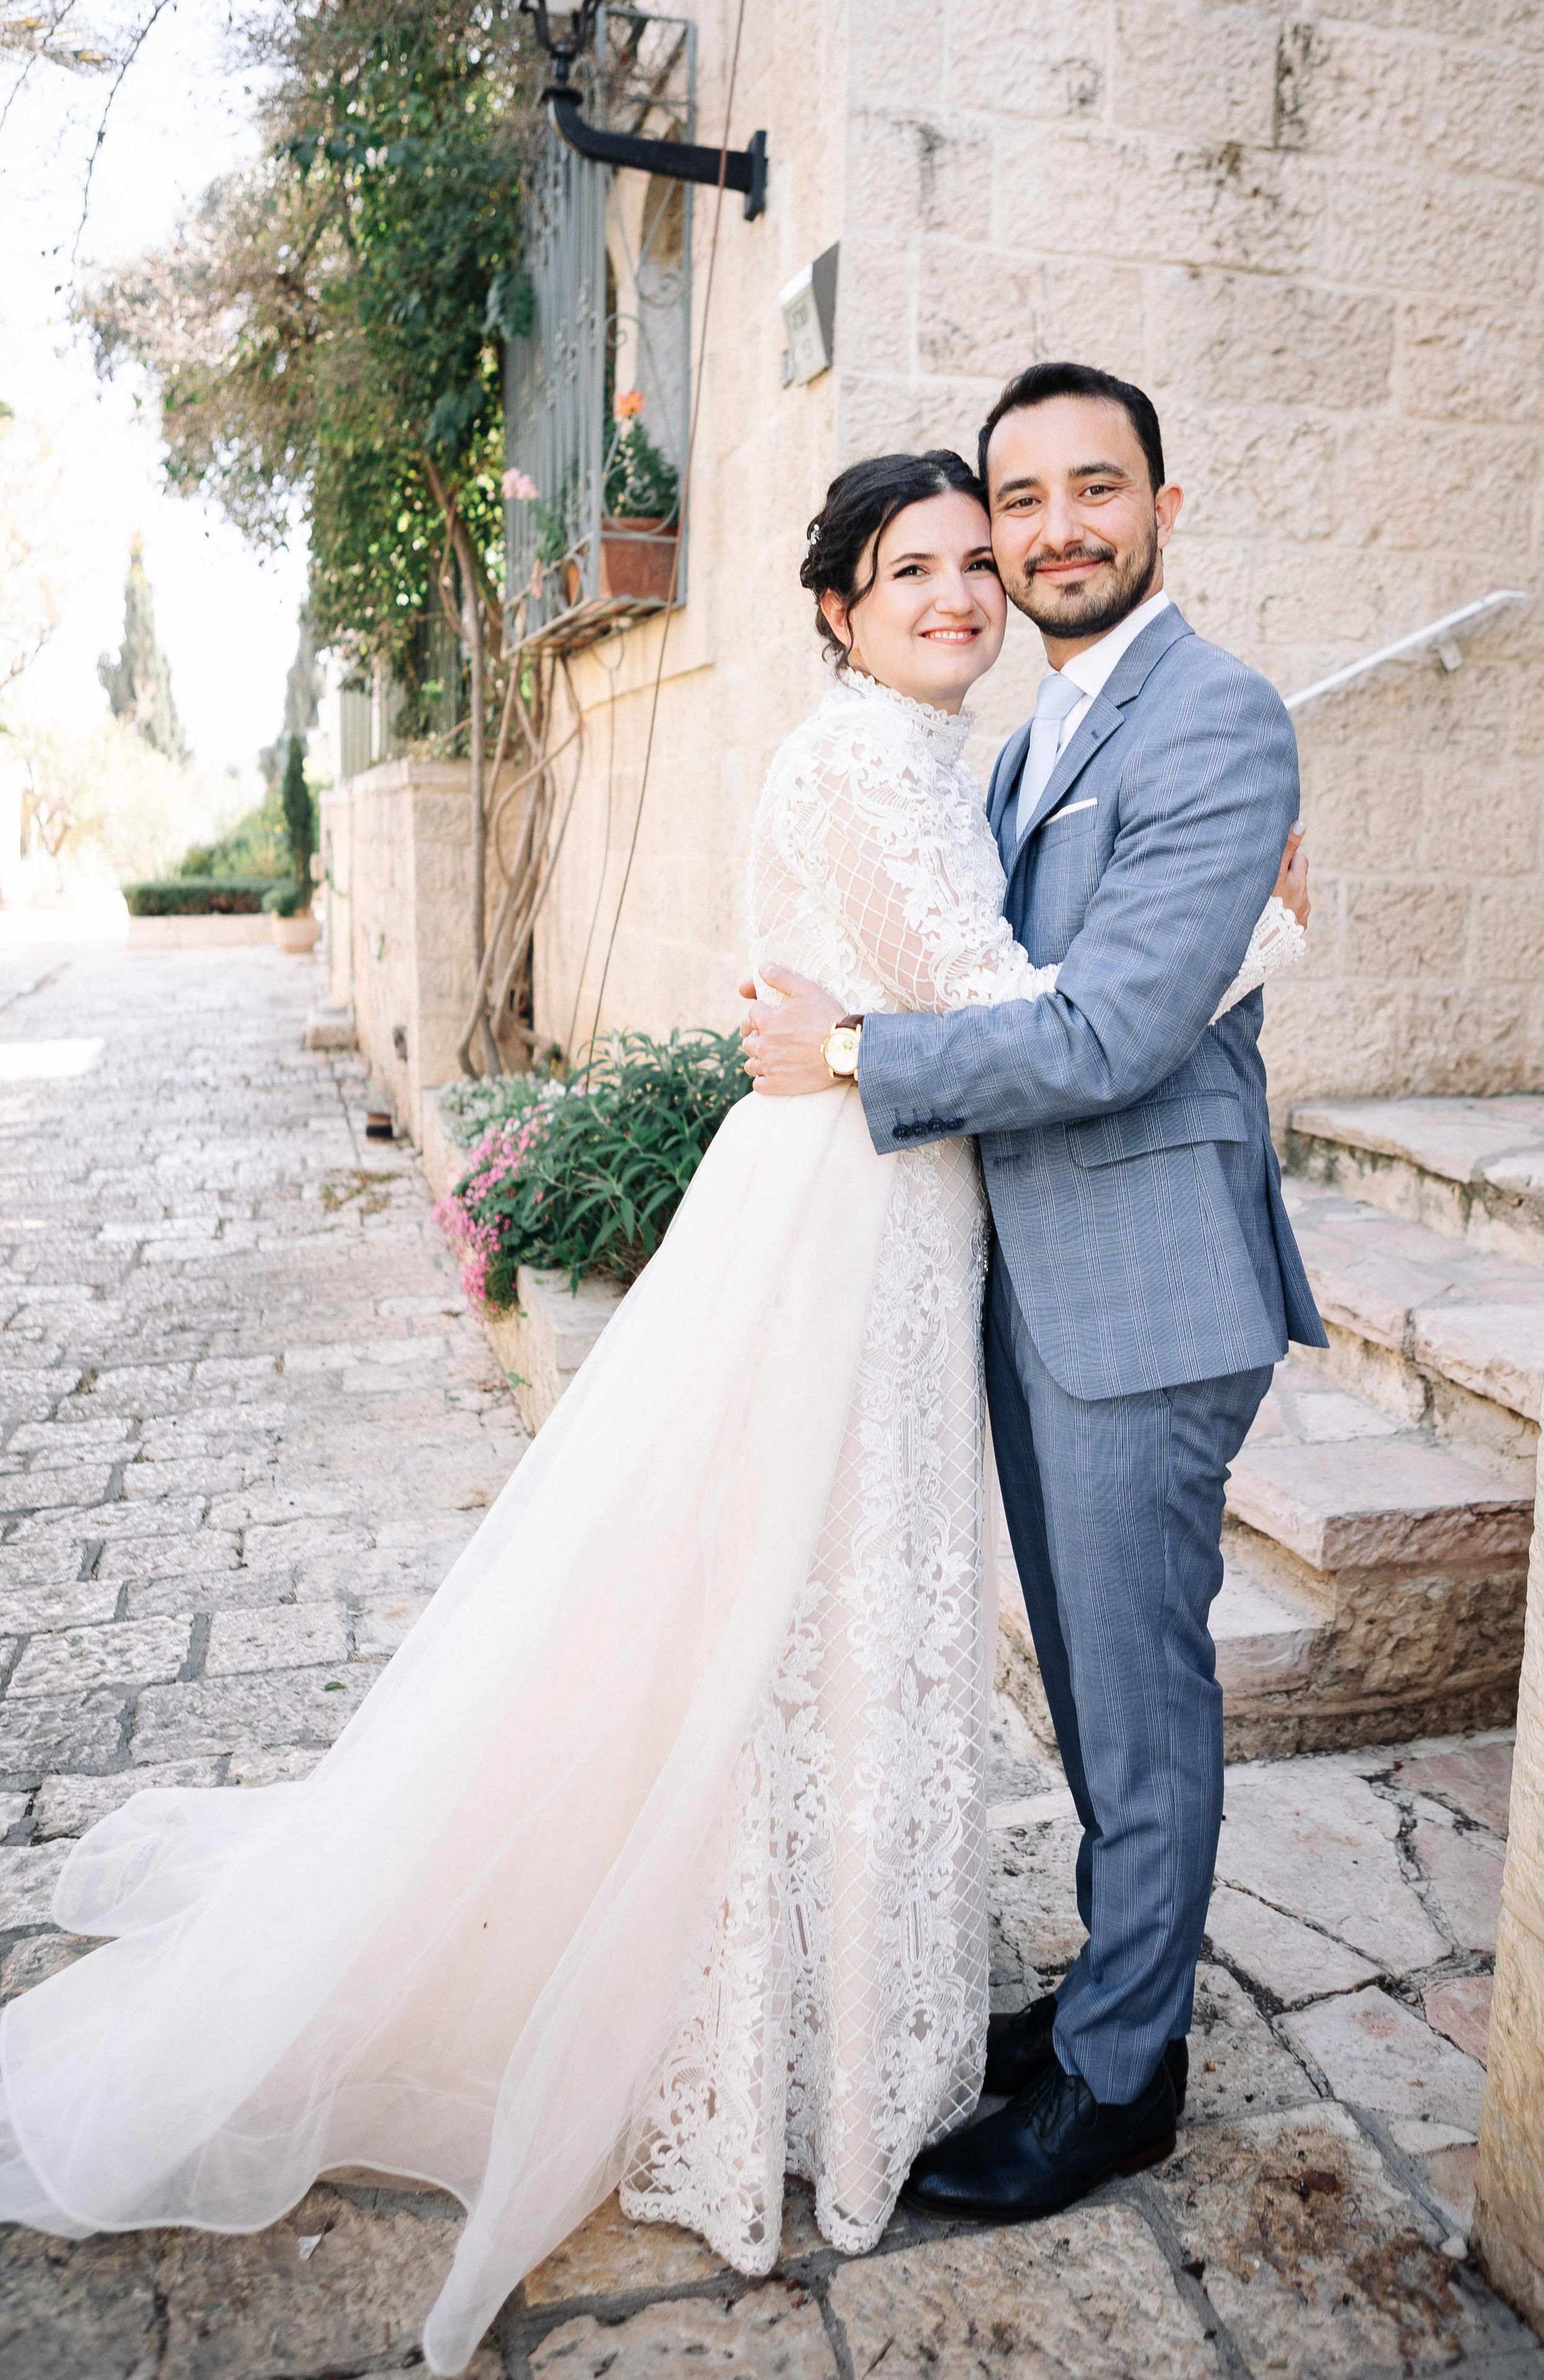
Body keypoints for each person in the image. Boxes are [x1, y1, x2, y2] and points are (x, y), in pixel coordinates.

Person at [0, 428, 1307, 2377]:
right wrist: (1237, 940)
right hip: (865, 1232)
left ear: (1156, 510)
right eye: (929, 564)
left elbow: (1068, 1018)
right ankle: (908, 2026)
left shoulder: (1018, 740)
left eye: (992, 550)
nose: (971, 586)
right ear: (837, 610)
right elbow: (1037, 1008)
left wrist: (1176, 951)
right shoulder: (893, 755)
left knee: (935, 1645)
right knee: (816, 1626)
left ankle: (1071, 2038)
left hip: (925, 1224)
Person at [741, 361, 1327, 2224]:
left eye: (1100, 486)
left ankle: (1119, 2080)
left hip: (1145, 1284)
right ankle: (1105, 1992)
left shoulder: (1215, 718)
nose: (1056, 527)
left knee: (1137, 1700)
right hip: (1027, 1273)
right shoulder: (1021, 739)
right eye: (1025, 496)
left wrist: (850, 1058)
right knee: (1085, 1688)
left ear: (1166, 505)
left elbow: (1108, 1031)